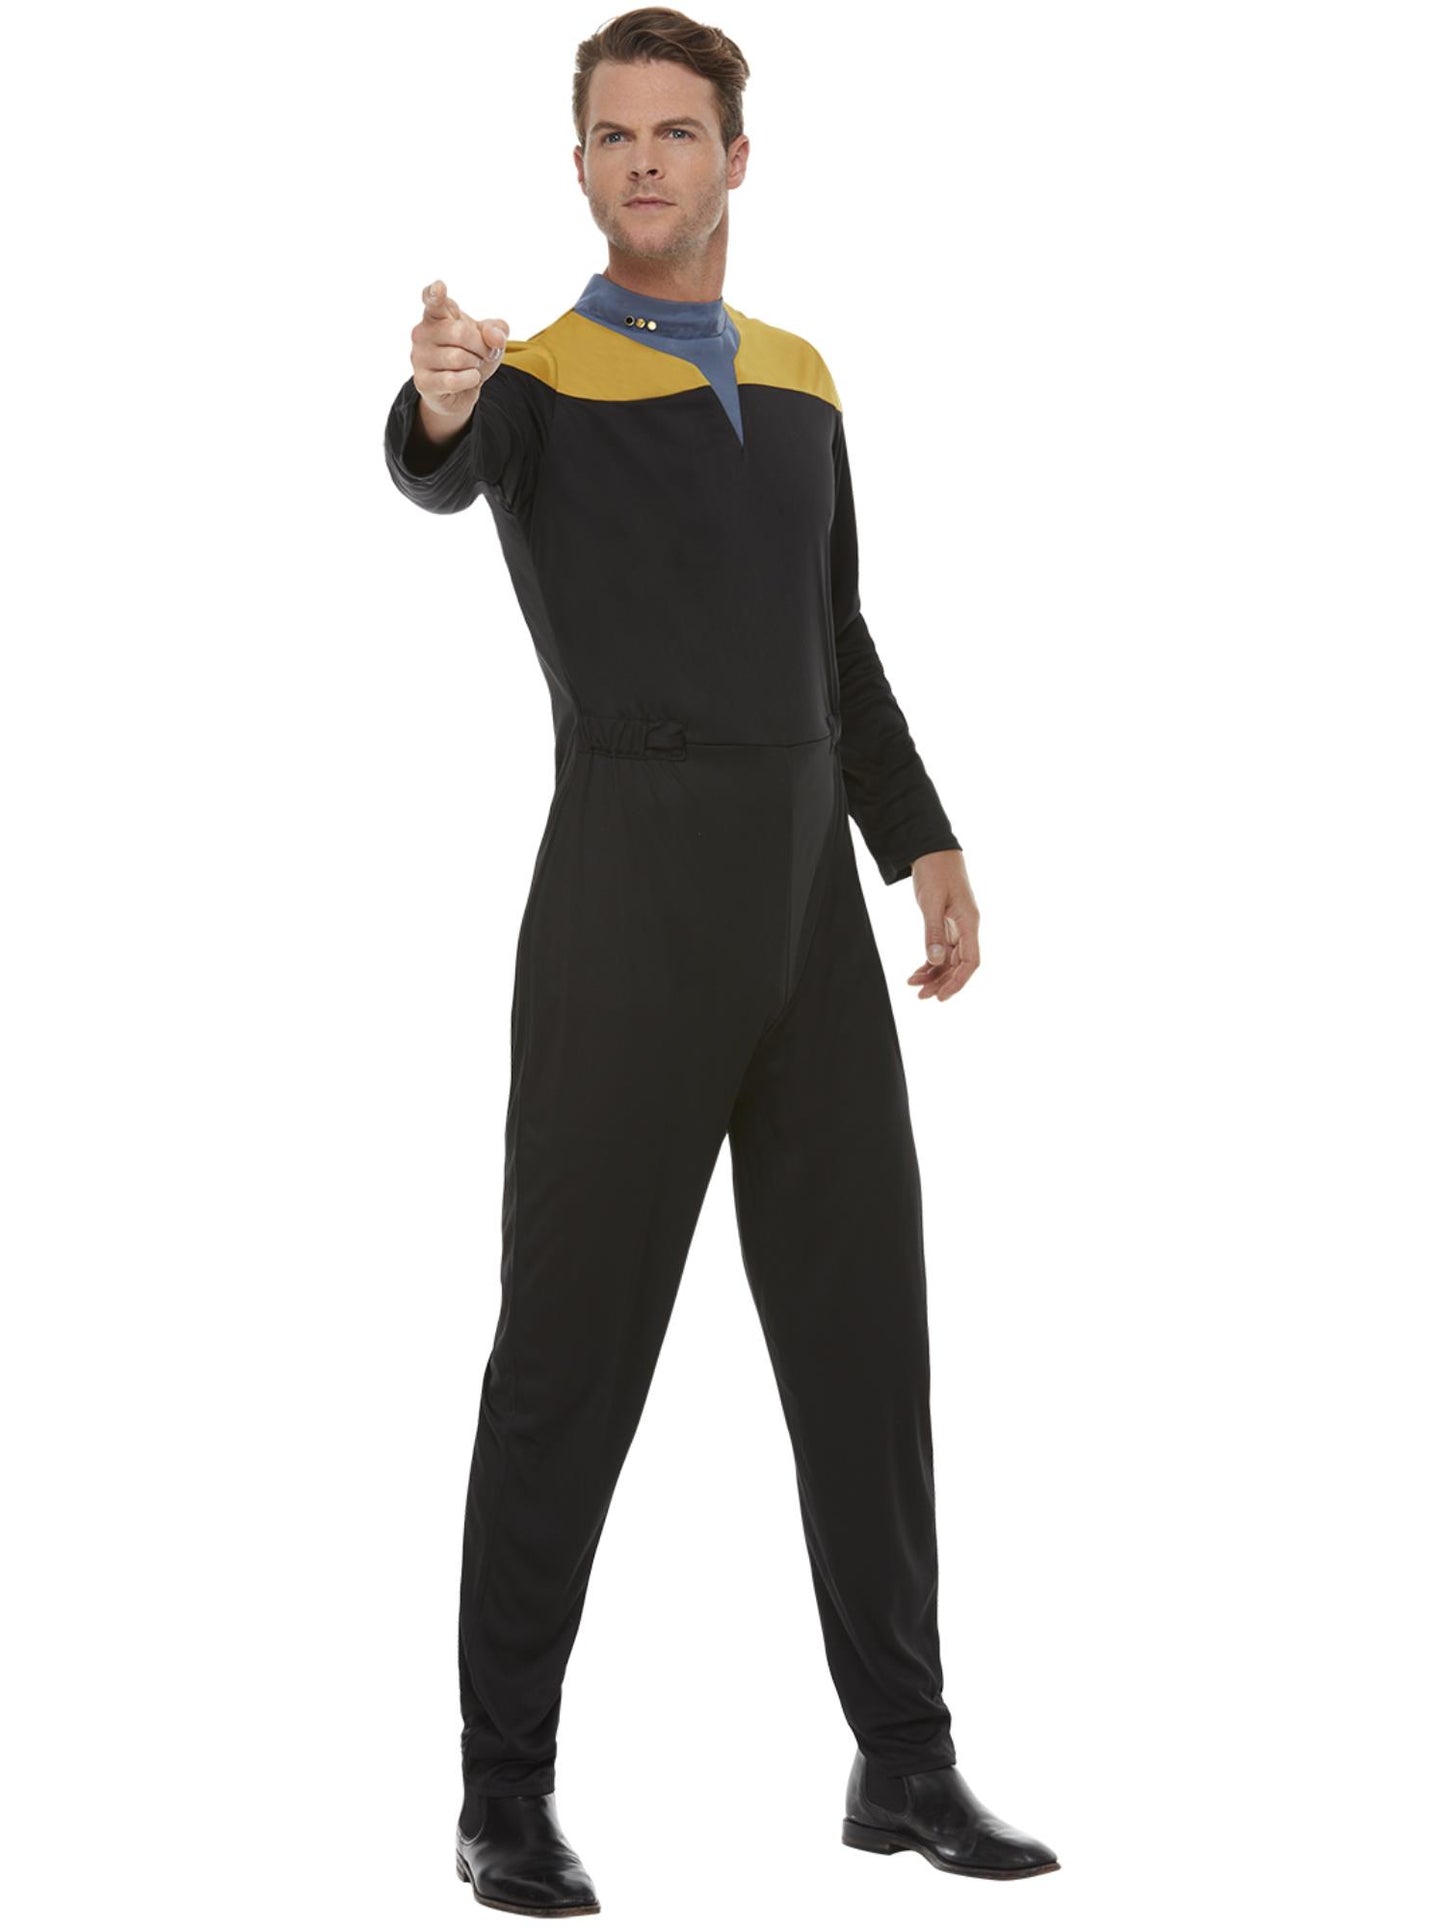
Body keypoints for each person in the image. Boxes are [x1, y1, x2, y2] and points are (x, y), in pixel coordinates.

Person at [382, 8, 1059, 1912]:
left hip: (805, 925)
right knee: (568, 1360)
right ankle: (502, 1791)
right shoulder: (531, 381)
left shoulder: (803, 377)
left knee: (865, 1348)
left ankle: (902, 1758)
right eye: (613, 136)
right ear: (578, 167)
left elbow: (833, 636)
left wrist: (919, 839)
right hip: (627, 911)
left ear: (735, 159)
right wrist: (433, 398)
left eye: (676, 132)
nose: (645, 161)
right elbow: (434, 466)